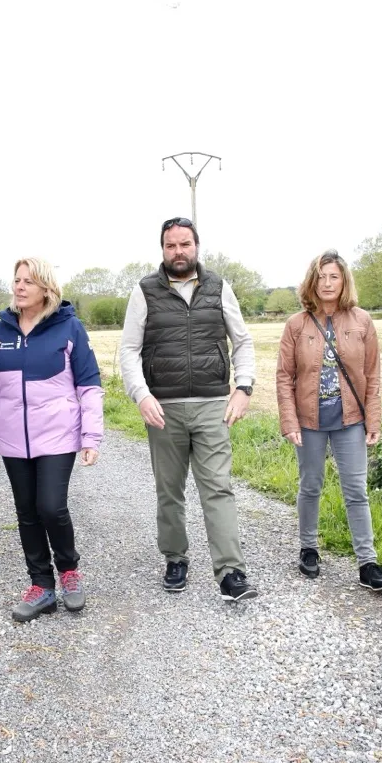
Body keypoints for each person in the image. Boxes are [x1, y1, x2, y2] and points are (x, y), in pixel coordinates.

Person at [118, 217, 259, 602]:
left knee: (218, 488)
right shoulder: (144, 291)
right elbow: (128, 350)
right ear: (162, 249)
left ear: (197, 246)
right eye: (170, 246)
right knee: (169, 491)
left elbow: (242, 342)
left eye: (185, 244)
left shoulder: (219, 287)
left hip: (214, 404)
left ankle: (231, 572)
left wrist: (243, 387)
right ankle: (175, 558)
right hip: (164, 408)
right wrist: (141, 395)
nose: (178, 252)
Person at [0, 257, 104, 622]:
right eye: (16, 280)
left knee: (51, 506)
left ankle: (69, 573)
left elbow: (89, 386)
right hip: (13, 440)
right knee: (27, 512)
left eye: (28, 280)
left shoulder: (69, 328)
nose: (20, 286)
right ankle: (41, 585)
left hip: (59, 436)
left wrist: (91, 436)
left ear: (46, 287)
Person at [275, 249, 382, 592]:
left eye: (334, 277)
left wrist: (373, 420)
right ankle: (309, 548)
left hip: (351, 420)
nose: (327, 283)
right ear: (312, 282)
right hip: (309, 420)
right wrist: (290, 422)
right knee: (310, 485)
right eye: (321, 277)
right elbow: (284, 377)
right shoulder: (296, 325)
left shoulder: (362, 321)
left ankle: (367, 562)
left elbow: (372, 375)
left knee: (356, 491)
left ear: (344, 282)